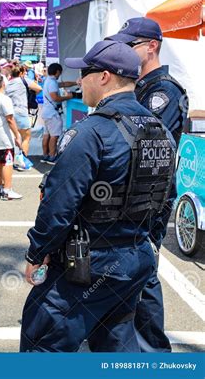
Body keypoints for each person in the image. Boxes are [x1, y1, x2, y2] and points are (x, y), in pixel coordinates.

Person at [20, 40, 176, 352]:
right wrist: (148, 244)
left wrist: (37, 253)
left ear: (104, 76)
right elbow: (166, 198)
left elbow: (59, 204)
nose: (79, 80)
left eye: (85, 73)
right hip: (135, 261)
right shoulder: (161, 130)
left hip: (87, 265)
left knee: (43, 343)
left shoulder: (92, 132)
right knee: (116, 348)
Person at [101, 17, 189, 352]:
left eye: (130, 44)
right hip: (131, 197)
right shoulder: (140, 87)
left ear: (151, 46)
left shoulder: (162, 91)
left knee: (144, 272)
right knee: (131, 268)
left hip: (149, 199)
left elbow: (143, 143)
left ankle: (153, 350)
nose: (122, 51)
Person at [0, 74, 23, 200]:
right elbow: (10, 119)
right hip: (2, 133)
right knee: (7, 161)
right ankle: (7, 190)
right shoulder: (4, 99)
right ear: (3, 84)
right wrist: (17, 135)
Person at [40, 63, 76, 164]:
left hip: (47, 112)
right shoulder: (52, 83)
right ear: (57, 72)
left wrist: (76, 82)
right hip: (52, 113)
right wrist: (68, 97)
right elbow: (55, 97)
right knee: (54, 136)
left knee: (47, 135)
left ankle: (45, 155)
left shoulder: (49, 80)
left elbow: (64, 84)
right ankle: (52, 156)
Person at [6, 66, 42, 159]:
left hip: (10, 113)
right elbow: (39, 89)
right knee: (26, 138)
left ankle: (13, 158)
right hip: (21, 112)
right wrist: (30, 94)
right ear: (21, 73)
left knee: (15, 137)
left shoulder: (8, 83)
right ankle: (23, 160)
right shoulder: (24, 80)